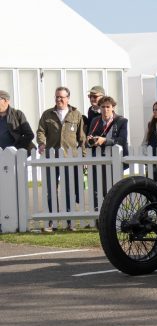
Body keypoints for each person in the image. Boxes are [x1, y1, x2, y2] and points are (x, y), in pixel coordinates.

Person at [36, 86, 86, 231]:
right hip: (52, 158)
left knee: (70, 190)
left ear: (68, 98)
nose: (58, 99)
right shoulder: (47, 114)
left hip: (70, 159)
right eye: (57, 97)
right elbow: (40, 131)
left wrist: (82, 158)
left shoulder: (76, 115)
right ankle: (51, 222)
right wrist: (42, 143)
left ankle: (70, 223)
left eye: (61, 97)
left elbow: (81, 138)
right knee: (51, 190)